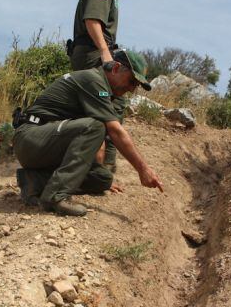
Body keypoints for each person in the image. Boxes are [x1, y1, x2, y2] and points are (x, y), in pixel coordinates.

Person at [13, 49, 164, 217]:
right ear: (116, 68)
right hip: (30, 138)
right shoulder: (94, 80)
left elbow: (97, 141)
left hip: (48, 144)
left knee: (103, 179)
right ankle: (55, 196)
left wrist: (95, 171)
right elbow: (113, 131)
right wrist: (143, 170)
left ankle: (34, 181)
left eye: (135, 86)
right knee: (95, 126)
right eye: (131, 81)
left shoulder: (104, 88)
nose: (131, 89)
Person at [68, 0, 145, 171]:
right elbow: (92, 20)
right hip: (92, 53)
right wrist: (105, 52)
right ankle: (98, 171)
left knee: (110, 106)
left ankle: (102, 169)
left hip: (94, 52)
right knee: (107, 107)